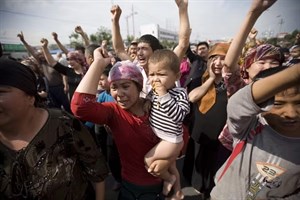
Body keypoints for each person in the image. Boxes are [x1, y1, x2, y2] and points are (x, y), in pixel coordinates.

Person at [71, 47, 173, 199]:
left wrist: (168, 161)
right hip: (128, 187)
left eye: (126, 86)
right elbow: (80, 107)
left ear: (139, 87)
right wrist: (98, 64)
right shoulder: (113, 112)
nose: (119, 93)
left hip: (160, 186)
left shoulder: (157, 107)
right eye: (114, 87)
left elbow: (181, 136)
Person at [0, 57, 109, 199]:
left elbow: (96, 172)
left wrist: (98, 63)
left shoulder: (63, 124)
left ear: (30, 96)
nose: (71, 62)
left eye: (1, 92)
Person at [210, 63, 300, 199]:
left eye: (299, 103)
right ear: (260, 104)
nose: (291, 113)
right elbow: (238, 102)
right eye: (278, 104)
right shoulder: (249, 126)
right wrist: (296, 73)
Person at [218, 0, 283, 151]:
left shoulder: (286, 93)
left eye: (274, 63)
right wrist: (253, 13)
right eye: (261, 62)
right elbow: (228, 65)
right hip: (238, 150)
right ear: (246, 68)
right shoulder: (241, 88)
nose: (268, 67)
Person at [182, 43, 232, 199]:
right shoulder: (199, 80)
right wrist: (210, 79)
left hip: (220, 138)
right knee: (198, 168)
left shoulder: (232, 85)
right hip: (199, 133)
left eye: (223, 59)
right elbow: (192, 97)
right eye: (214, 58)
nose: (217, 63)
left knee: (214, 170)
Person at [110, 0, 190, 96]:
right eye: (138, 49)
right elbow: (119, 50)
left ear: (155, 52)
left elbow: (183, 44)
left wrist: (182, 9)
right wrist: (115, 21)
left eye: (144, 48)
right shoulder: (136, 68)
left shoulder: (168, 63)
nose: (139, 53)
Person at [144, 49, 190, 199]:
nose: (156, 79)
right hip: (162, 137)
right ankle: (178, 193)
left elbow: (178, 116)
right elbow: (150, 100)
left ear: (176, 76)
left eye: (161, 74)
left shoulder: (180, 93)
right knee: (172, 166)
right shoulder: (154, 91)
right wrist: (147, 102)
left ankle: (168, 179)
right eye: (152, 74)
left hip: (171, 140)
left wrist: (164, 95)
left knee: (149, 161)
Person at [17, 31, 71, 113]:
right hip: (50, 89)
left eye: (42, 54)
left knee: (67, 106)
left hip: (60, 88)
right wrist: (23, 41)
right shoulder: (41, 63)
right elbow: (32, 51)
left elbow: (64, 74)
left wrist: (65, 85)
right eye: (39, 55)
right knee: (56, 108)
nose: (40, 56)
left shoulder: (54, 63)